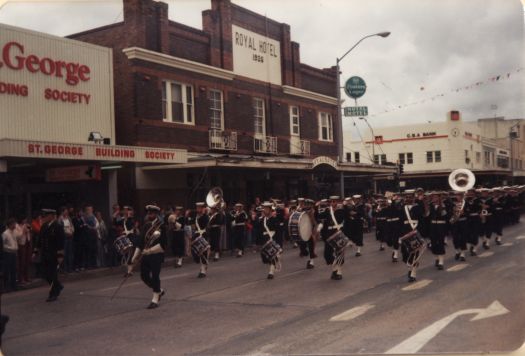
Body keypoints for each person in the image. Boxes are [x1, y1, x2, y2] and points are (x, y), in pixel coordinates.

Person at [131, 205, 167, 309]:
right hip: (146, 255)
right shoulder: (146, 226)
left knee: (155, 276)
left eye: (151, 213)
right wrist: (135, 256)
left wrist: (150, 250)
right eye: (148, 213)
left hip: (156, 255)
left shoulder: (161, 226)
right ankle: (159, 290)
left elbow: (163, 244)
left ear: (156, 214)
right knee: (144, 276)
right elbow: (140, 242)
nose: (149, 215)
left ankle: (155, 299)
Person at [34, 209, 65, 302]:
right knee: (45, 274)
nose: (44, 218)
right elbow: (39, 240)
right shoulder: (44, 226)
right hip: (45, 253)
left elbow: (61, 241)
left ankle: (53, 294)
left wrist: (60, 255)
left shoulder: (57, 226)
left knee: (53, 274)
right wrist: (35, 251)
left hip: (53, 254)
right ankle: (58, 286)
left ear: (51, 216)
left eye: (46, 216)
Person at [319, 196, 346, 280]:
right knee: (327, 254)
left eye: (334, 201)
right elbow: (320, 216)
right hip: (329, 233)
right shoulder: (327, 210)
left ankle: (339, 272)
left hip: (338, 232)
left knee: (340, 253)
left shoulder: (342, 210)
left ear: (338, 202)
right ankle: (334, 269)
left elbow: (345, 220)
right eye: (331, 201)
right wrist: (316, 207)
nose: (333, 203)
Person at [258, 201, 281, 279]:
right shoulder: (262, 219)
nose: (264, 210)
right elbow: (258, 230)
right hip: (264, 239)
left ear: (270, 209)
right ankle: (272, 265)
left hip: (272, 238)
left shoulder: (274, 219)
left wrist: (278, 244)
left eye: (266, 208)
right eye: (264, 208)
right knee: (264, 258)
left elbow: (278, 230)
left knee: (273, 256)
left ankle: (271, 271)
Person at [2, 218, 18, 292]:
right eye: (14, 224)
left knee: (13, 270)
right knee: (7, 270)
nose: (15, 225)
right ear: (10, 225)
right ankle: (6, 286)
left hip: (14, 253)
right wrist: (8, 248)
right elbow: (2, 244)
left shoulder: (14, 232)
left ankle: (13, 285)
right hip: (8, 253)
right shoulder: (5, 233)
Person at [58, 207, 75, 273]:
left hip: (70, 236)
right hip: (64, 237)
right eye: (65, 211)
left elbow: (72, 226)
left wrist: (72, 231)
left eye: (67, 211)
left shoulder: (68, 218)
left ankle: (70, 268)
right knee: (64, 253)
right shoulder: (60, 219)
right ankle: (64, 269)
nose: (66, 212)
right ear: (62, 212)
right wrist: (66, 233)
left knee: (70, 252)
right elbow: (60, 229)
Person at [16, 218, 32, 284]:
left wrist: (29, 228)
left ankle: (26, 277)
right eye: (24, 219)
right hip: (21, 244)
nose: (25, 221)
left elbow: (30, 230)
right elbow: (18, 236)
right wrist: (23, 230)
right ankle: (21, 278)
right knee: (22, 262)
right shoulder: (17, 226)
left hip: (27, 243)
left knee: (27, 261)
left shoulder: (25, 225)